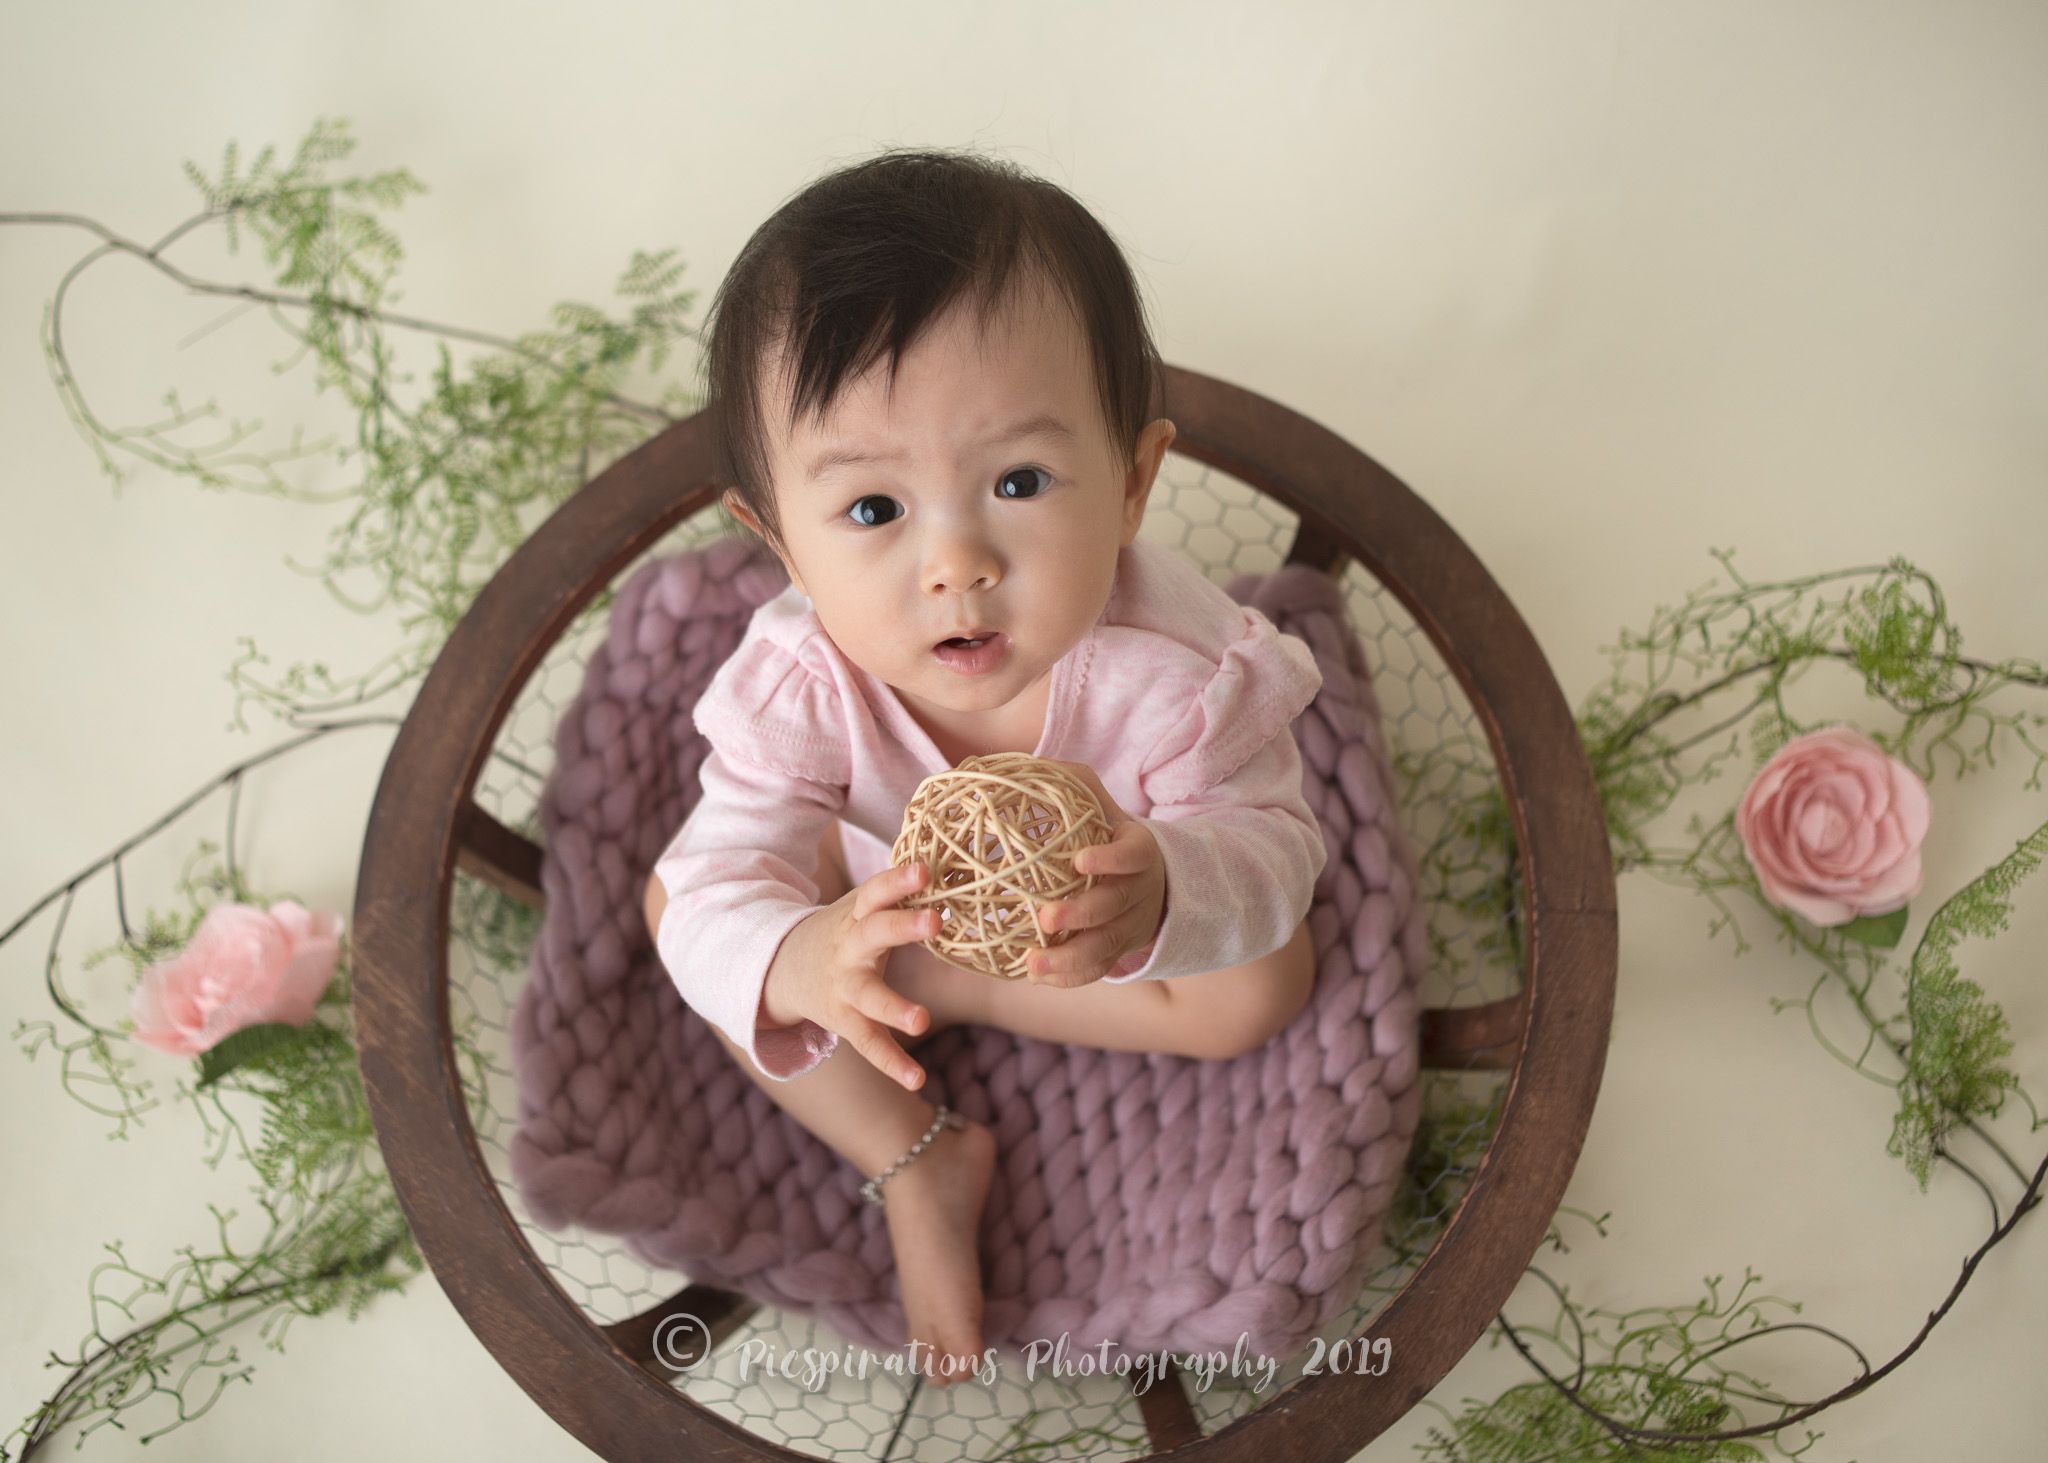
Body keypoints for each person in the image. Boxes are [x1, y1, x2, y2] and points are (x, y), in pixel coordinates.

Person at [642, 148, 1326, 1387]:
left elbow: (1276, 846)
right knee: (685, 914)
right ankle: (911, 1151)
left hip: (1092, 927)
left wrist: (1168, 885)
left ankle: (967, 989)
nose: (955, 562)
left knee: (1261, 987)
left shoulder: (1183, 673)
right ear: (777, 540)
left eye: (1018, 482)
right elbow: (725, 871)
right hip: (878, 897)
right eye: (871, 510)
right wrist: (803, 956)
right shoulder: (801, 683)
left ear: (1130, 483)